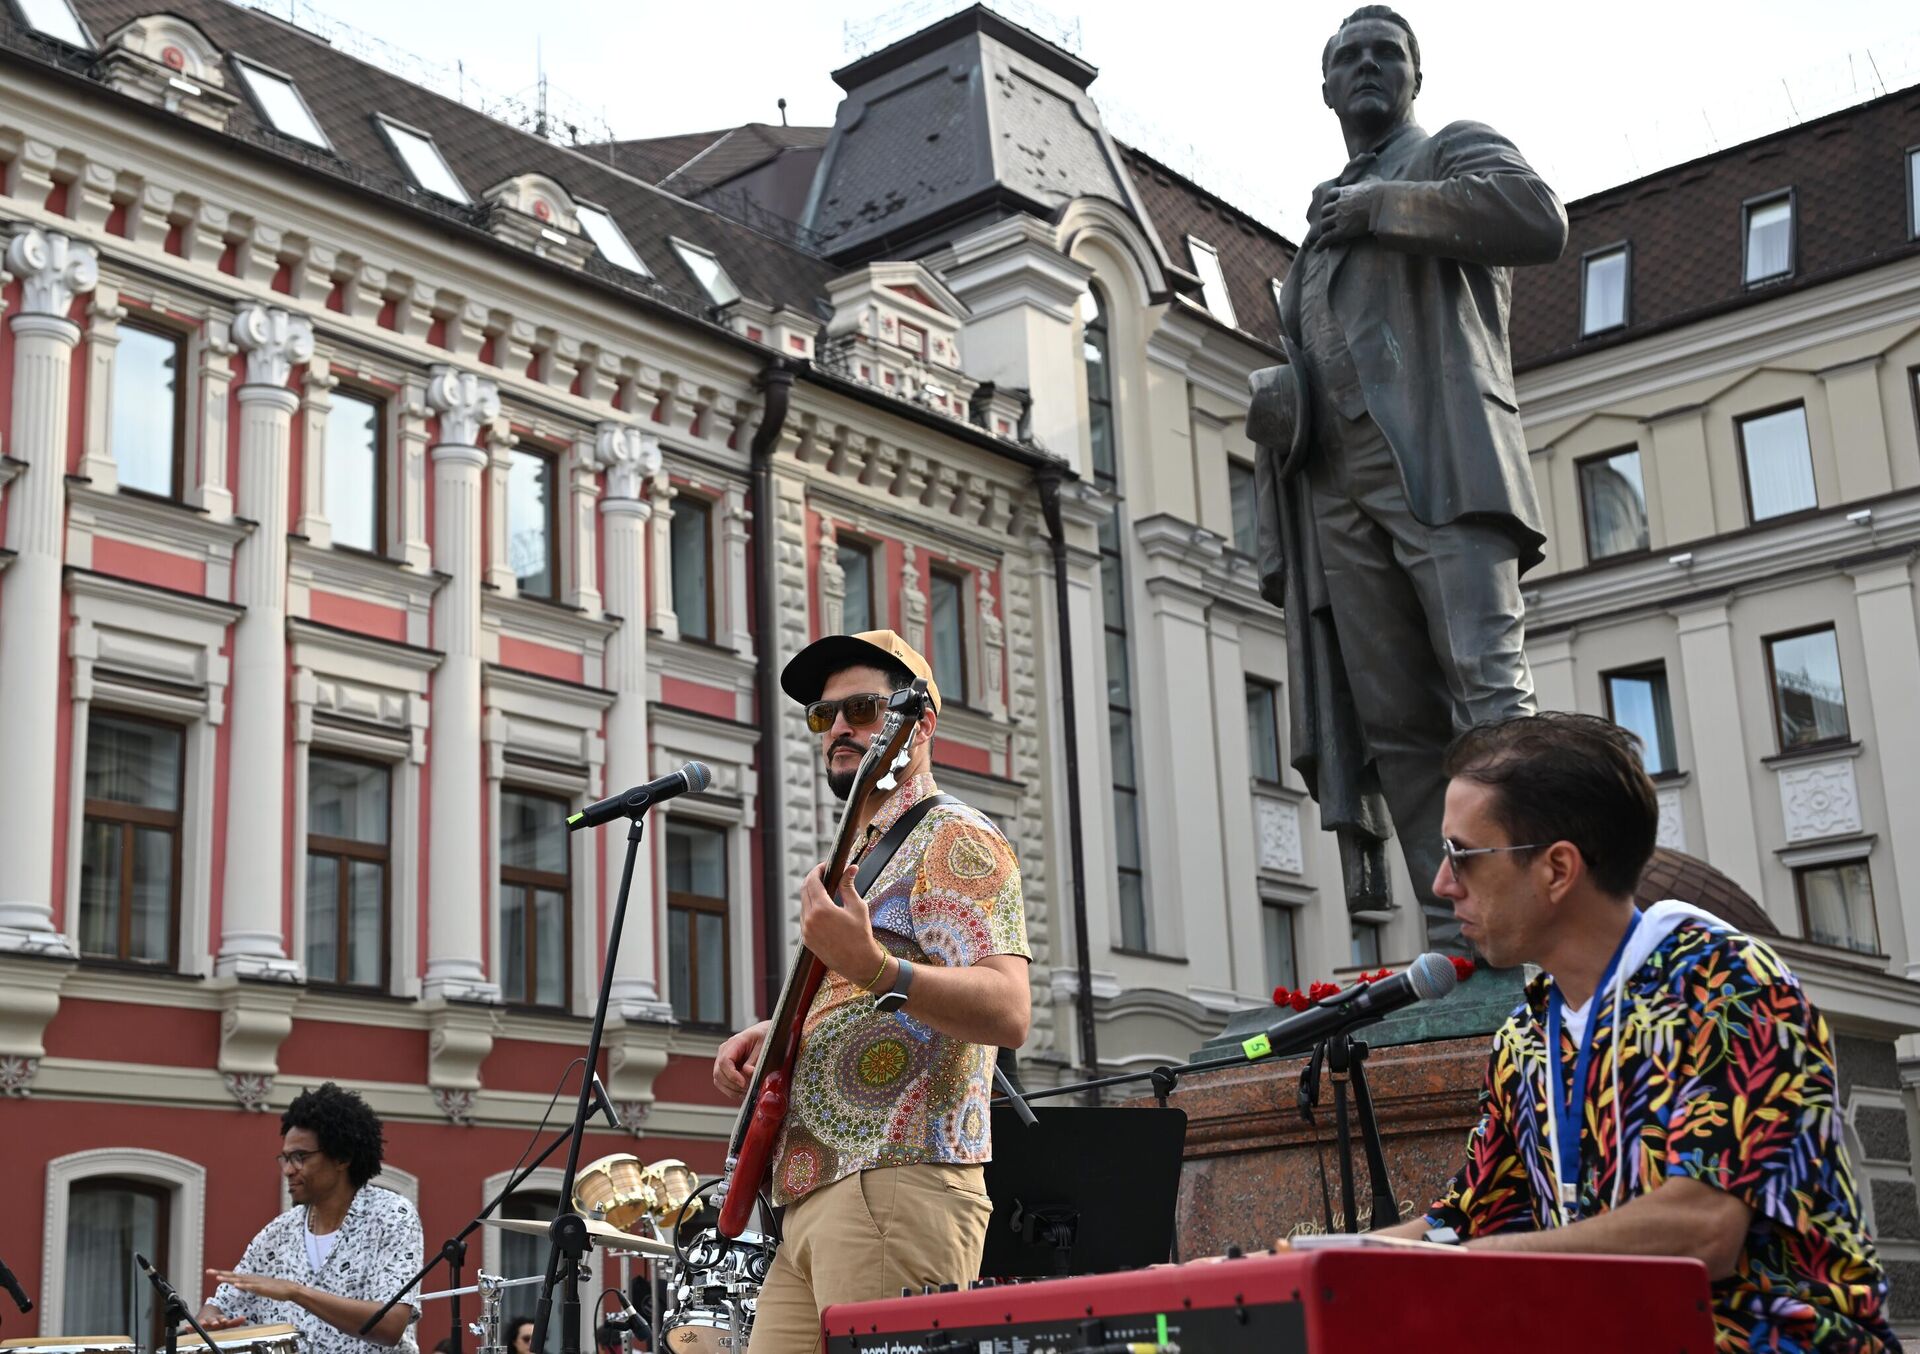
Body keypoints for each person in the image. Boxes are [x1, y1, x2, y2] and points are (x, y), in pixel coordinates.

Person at [1372, 713, 1896, 1351]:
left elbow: (1702, 1230)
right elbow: (1462, 1226)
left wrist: (1489, 1261)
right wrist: (1287, 1264)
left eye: (1463, 855)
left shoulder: (1728, 986)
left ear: (1558, 869)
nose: (1442, 883)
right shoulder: (1526, 1034)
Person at [1253, 4, 1567, 953]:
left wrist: (1381, 208)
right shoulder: (1315, 226)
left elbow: (1536, 217)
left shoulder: (1446, 155)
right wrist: (1282, 399)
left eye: (1387, 53)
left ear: (1415, 79)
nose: (1367, 67)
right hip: (1336, 490)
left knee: (1486, 689)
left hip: (1443, 464)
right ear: (1323, 88)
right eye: (1347, 57)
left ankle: (1538, 910)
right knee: (1394, 719)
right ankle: (1456, 925)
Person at [713, 630, 1031, 1353]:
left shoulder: (954, 836)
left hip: (894, 1180)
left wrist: (874, 968)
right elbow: (872, 992)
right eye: (823, 717)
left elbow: (1008, 1011)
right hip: (815, 1198)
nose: (839, 729)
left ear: (920, 724)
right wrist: (783, 1035)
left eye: (861, 708)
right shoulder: (860, 858)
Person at [198, 1082, 425, 1354]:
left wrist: (297, 1292)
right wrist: (208, 1322)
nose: (288, 1170)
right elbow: (220, 1305)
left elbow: (389, 1325)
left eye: (300, 1157)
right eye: (284, 1158)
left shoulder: (391, 1216)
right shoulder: (277, 1234)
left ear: (342, 1157)